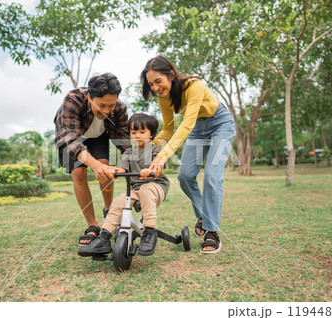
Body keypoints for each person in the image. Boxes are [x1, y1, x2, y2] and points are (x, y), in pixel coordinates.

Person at [140, 56, 236, 254]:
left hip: (220, 123)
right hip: (197, 130)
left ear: (171, 74)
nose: (156, 88)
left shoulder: (194, 85)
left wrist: (163, 157)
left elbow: (186, 124)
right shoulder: (163, 98)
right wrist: (148, 148)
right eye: (151, 84)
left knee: (212, 175)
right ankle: (204, 215)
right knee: (184, 176)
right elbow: (167, 129)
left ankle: (212, 232)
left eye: (158, 81)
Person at [54, 73, 131, 246]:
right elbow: (72, 142)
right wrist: (94, 166)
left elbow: (124, 142)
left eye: (111, 105)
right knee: (79, 172)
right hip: (70, 135)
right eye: (101, 105)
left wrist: (141, 163)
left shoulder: (119, 108)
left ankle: (109, 211)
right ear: (90, 97)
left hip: (98, 135)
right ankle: (92, 225)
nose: (106, 111)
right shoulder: (73, 99)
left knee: (105, 166)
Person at [78, 113, 170, 257]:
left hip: (156, 186)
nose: (137, 135)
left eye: (142, 132)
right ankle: (104, 238)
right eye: (133, 132)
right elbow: (122, 168)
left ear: (151, 134)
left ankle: (150, 231)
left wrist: (150, 170)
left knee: (146, 189)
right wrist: (114, 171)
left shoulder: (155, 150)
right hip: (136, 189)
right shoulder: (128, 152)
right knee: (119, 201)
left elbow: (158, 168)